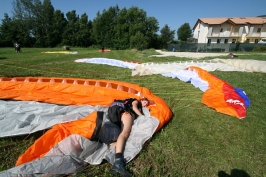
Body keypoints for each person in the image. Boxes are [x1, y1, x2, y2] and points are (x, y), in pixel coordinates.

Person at [107, 97, 149, 176]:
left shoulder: (126, 101)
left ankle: (112, 144)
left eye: (147, 104)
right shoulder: (136, 101)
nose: (146, 104)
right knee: (125, 133)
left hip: (113, 111)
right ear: (142, 100)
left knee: (123, 135)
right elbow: (134, 107)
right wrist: (142, 116)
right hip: (124, 112)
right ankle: (118, 163)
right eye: (145, 102)